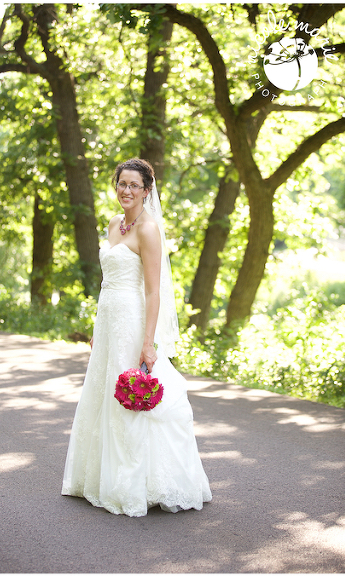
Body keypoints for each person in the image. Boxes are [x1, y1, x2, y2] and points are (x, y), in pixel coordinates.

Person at [61, 158, 212, 517]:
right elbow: (105, 284)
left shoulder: (148, 229)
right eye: (121, 184)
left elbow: (153, 291)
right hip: (109, 320)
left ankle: (136, 484)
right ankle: (100, 478)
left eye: (134, 185)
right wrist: (99, 330)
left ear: (147, 190)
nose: (126, 190)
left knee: (129, 393)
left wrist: (148, 342)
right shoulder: (114, 223)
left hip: (132, 320)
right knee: (103, 392)